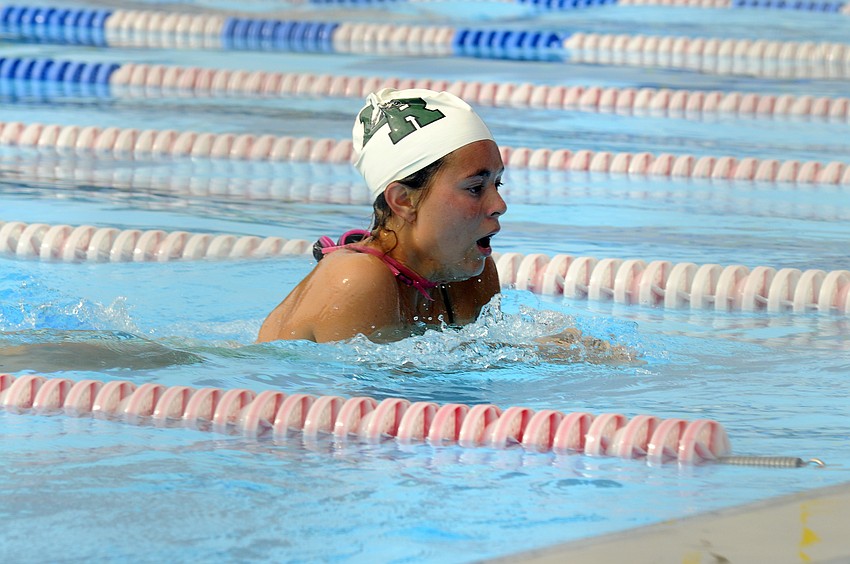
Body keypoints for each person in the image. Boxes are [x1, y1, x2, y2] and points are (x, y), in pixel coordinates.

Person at [257, 88, 506, 343]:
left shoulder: (466, 272)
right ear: (404, 201)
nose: (499, 205)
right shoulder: (358, 279)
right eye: (475, 188)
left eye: (497, 184)